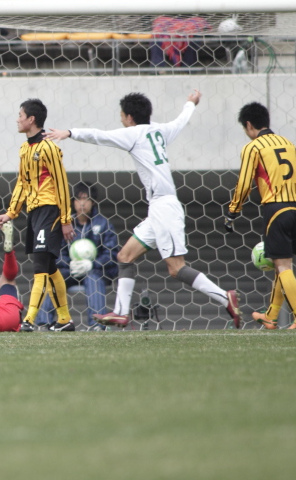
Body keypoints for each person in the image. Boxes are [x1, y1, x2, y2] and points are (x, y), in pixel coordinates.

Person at [45, 91, 242, 329]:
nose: (120, 120)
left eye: (121, 116)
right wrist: (190, 102)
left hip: (164, 208)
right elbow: (181, 120)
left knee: (176, 268)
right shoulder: (160, 131)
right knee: (124, 257)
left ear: (129, 117)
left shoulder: (134, 133)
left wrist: (70, 132)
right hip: (158, 208)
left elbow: (100, 136)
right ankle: (120, 312)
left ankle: (224, 297)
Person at [225, 102, 296, 329]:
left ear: (248, 124)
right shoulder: (289, 144)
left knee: (283, 267)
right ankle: (271, 316)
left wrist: (233, 211)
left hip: (276, 209)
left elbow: (244, 183)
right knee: (281, 265)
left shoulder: (254, 147)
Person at [0, 99, 75, 332]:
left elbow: (61, 182)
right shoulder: (25, 149)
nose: (17, 119)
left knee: (40, 264)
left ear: (31, 119)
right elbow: (22, 182)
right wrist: (11, 212)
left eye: (20, 114)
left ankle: (29, 319)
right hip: (34, 212)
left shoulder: (49, 147)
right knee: (49, 267)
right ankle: (64, 320)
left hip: (50, 209)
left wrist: (65, 219)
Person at [37, 183, 120, 329]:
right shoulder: (66, 224)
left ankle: (97, 325)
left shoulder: (103, 224)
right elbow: (57, 252)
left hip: (96, 271)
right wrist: (68, 264)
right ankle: (44, 323)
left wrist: (92, 264)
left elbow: (111, 253)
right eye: (78, 199)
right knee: (53, 279)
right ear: (73, 202)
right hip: (71, 270)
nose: (82, 203)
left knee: (93, 277)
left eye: (86, 199)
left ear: (92, 202)